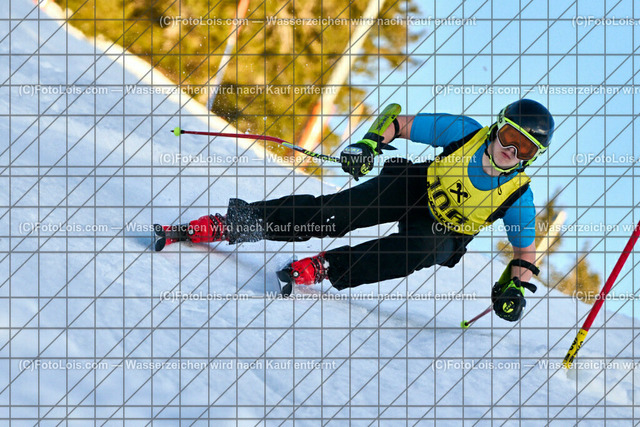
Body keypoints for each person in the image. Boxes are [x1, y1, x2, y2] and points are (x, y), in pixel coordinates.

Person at [174, 99, 554, 322]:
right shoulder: (466, 132)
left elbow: (525, 252)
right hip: (415, 186)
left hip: (443, 231)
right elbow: (398, 122)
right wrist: (370, 144)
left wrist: (513, 286)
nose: (511, 152)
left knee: (416, 251)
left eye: (525, 149)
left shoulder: (518, 195)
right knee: (339, 212)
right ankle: (236, 224)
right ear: (497, 128)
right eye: (510, 137)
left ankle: (326, 267)